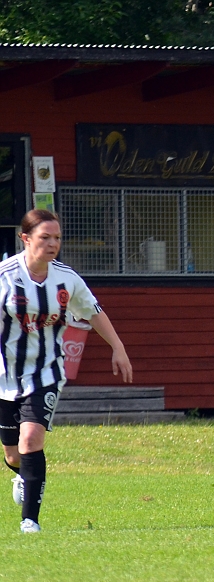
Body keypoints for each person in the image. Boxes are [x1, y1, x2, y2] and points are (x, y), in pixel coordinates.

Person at [0, 209, 133, 533]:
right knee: (14, 454)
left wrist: (118, 347)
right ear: (26, 238)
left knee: (32, 439)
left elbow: (94, 312)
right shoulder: (4, 276)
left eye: (57, 238)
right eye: (45, 237)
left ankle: (30, 521)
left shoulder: (66, 279)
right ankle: (20, 475)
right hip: (4, 376)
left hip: (46, 372)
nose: (52, 244)